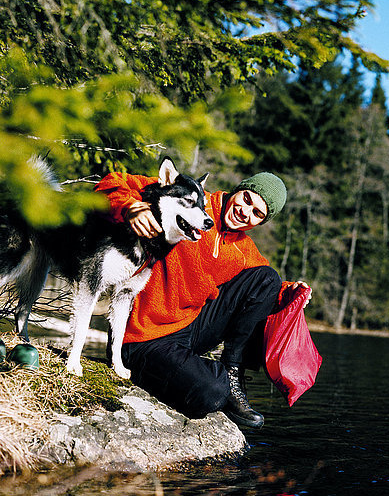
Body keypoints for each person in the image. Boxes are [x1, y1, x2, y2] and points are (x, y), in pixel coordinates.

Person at [95, 168, 311, 429]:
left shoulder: (243, 249)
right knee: (211, 394)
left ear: (260, 223)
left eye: (257, 213)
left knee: (267, 278)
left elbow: (265, 292)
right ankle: (209, 379)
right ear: (238, 189)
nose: (246, 212)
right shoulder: (190, 199)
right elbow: (111, 182)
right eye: (247, 199)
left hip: (188, 329)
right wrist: (130, 206)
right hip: (144, 336)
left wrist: (292, 293)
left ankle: (232, 371)